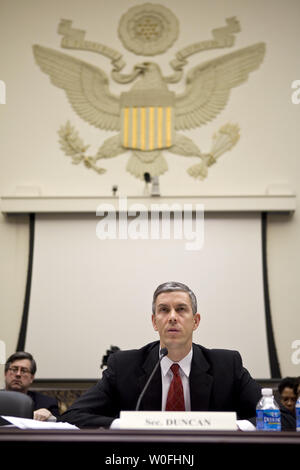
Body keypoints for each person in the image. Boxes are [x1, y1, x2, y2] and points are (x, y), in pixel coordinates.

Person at [60, 281, 295, 430]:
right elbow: (72, 416)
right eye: (164, 310)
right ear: (154, 321)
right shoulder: (125, 366)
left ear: (196, 321)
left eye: (181, 309)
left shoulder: (226, 365)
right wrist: (125, 425)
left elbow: (283, 419)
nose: (172, 317)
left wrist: (231, 427)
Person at [4, 351, 60, 421]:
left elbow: (60, 427)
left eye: (24, 371)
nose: (18, 374)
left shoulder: (47, 403)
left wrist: (51, 418)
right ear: (5, 373)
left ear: (32, 378)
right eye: (14, 369)